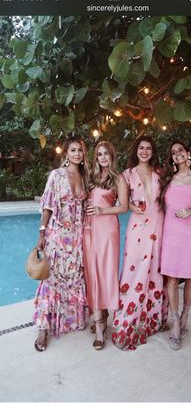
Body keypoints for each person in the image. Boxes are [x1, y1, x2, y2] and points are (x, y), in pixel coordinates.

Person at [112, 136, 168, 351]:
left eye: (149, 148)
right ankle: (128, 321)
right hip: (138, 228)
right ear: (136, 151)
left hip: (159, 226)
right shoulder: (126, 175)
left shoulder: (160, 173)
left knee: (155, 272)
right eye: (141, 148)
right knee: (133, 272)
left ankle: (152, 320)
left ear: (153, 152)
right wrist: (133, 207)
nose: (145, 151)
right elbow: (123, 204)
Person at [33, 135, 90, 351]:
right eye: (73, 150)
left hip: (76, 238)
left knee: (74, 279)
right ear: (66, 153)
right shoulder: (56, 176)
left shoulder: (85, 177)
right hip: (57, 236)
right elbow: (47, 206)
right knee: (51, 280)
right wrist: (42, 232)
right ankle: (43, 329)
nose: (77, 154)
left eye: (80, 150)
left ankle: (68, 319)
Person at [159, 141, 191, 350]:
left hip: (189, 232)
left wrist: (190, 211)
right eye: (173, 152)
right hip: (170, 233)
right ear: (171, 158)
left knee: (189, 277)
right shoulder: (168, 179)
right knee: (171, 277)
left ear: (188, 153)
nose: (177, 154)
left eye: (180, 150)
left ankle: (186, 314)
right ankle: (175, 320)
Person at [83, 141, 128, 350]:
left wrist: (102, 211)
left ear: (112, 156)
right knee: (92, 274)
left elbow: (124, 207)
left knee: (105, 273)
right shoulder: (91, 178)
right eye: (99, 154)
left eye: (106, 154)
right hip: (89, 230)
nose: (102, 158)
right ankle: (100, 314)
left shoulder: (118, 178)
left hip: (108, 229)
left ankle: (100, 327)